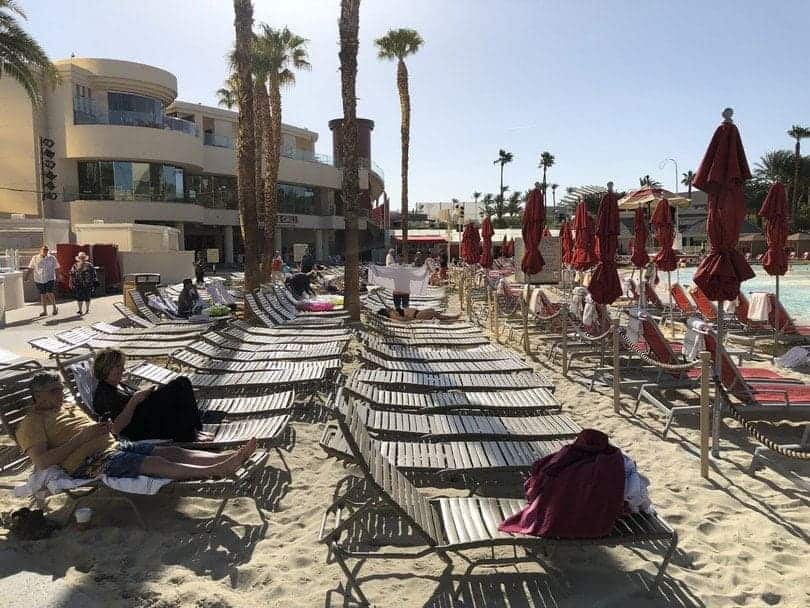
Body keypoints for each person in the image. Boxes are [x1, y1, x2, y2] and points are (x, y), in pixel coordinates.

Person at [16, 371, 256, 481]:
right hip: (89, 462)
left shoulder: (66, 406)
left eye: (60, 389)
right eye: (54, 391)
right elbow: (42, 462)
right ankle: (215, 470)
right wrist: (82, 438)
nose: (61, 393)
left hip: (114, 445)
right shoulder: (32, 423)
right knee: (156, 463)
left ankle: (226, 457)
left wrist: (103, 428)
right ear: (38, 396)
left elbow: (91, 430)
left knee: (172, 451)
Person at [92, 348, 211, 443]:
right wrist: (135, 400)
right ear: (106, 368)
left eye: (122, 366)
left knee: (182, 384)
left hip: (148, 418)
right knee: (180, 384)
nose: (123, 370)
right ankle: (190, 434)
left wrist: (147, 394)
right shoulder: (103, 394)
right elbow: (115, 429)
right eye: (118, 366)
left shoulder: (117, 385)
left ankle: (195, 429)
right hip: (142, 429)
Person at [26, 245, 60, 317]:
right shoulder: (35, 258)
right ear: (40, 250)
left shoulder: (52, 258)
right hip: (39, 279)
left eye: (47, 250)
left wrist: (58, 276)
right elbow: (31, 267)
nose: (45, 251)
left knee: (49, 292)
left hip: (50, 278)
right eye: (44, 250)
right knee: (43, 294)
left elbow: (57, 267)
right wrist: (26, 276)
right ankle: (45, 311)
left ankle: (54, 308)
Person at [68, 252, 97, 316]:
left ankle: (87, 309)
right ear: (79, 258)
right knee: (79, 297)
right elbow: (71, 274)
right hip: (78, 284)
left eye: (83, 257)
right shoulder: (75, 265)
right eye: (81, 258)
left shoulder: (89, 265)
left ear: (85, 258)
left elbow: (94, 274)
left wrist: (94, 282)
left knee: (87, 296)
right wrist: (70, 282)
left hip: (88, 283)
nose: (82, 259)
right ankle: (80, 310)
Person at [376, 306, 460, 322]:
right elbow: (402, 319)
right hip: (417, 315)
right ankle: (451, 317)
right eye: (386, 309)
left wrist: (392, 309)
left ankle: (446, 317)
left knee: (432, 310)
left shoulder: (391, 312)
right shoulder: (392, 315)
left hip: (418, 312)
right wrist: (413, 320)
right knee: (433, 313)